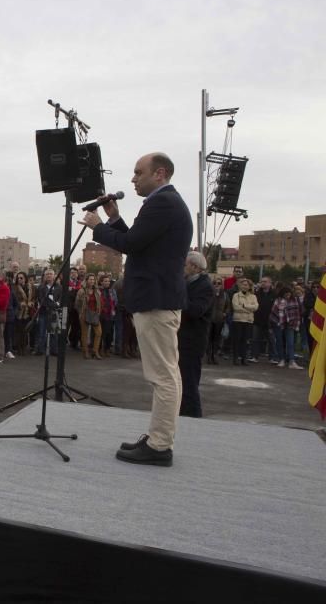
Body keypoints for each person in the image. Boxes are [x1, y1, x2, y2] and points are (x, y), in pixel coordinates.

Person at [81, 151, 193, 466]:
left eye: (138, 172)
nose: (133, 179)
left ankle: (159, 446)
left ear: (159, 174)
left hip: (156, 301)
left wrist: (98, 226)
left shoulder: (162, 203)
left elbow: (130, 245)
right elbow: (138, 240)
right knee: (166, 374)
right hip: (159, 299)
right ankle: (159, 437)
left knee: (163, 376)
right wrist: (115, 217)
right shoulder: (166, 203)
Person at [178, 251, 214, 418]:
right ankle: (181, 414)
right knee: (179, 383)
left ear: (194, 267)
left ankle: (194, 418)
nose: (182, 268)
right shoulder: (188, 283)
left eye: (185, 265)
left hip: (192, 341)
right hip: (180, 340)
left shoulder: (205, 286)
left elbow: (195, 311)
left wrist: (178, 294)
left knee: (189, 384)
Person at [271, 285, 303, 370]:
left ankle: (292, 361)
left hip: (291, 324)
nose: (287, 296)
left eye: (289, 294)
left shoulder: (295, 300)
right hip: (278, 323)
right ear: (282, 294)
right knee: (279, 342)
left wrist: (296, 323)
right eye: (286, 294)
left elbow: (299, 312)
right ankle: (282, 359)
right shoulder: (277, 301)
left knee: (291, 343)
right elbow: (273, 313)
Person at [230, 278, 257, 365]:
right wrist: (249, 310)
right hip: (238, 320)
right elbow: (236, 307)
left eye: (246, 285)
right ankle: (236, 358)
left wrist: (244, 306)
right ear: (240, 286)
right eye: (243, 284)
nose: (245, 286)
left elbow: (255, 307)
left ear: (249, 286)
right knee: (237, 340)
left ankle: (244, 358)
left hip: (248, 321)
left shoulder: (253, 296)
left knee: (245, 341)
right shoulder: (236, 295)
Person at [75, 274, 103, 360]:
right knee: (85, 334)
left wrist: (99, 311)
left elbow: (100, 302)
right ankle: (85, 351)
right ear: (86, 280)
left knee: (99, 332)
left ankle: (95, 351)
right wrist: (81, 312)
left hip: (94, 314)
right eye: (90, 279)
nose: (92, 281)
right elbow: (77, 304)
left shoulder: (97, 291)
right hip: (84, 313)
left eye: (93, 280)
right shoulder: (81, 291)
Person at [207, 276, 230, 364]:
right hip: (209, 319)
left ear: (222, 285)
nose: (217, 285)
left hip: (219, 320)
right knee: (209, 338)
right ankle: (209, 356)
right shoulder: (209, 293)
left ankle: (214, 355)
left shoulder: (225, 294)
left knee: (217, 339)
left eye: (219, 283)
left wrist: (225, 313)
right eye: (215, 283)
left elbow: (228, 306)